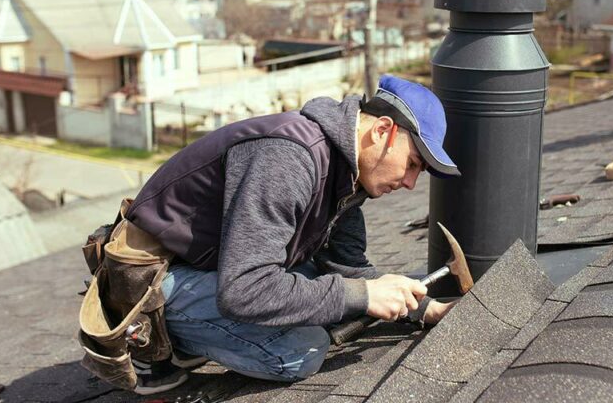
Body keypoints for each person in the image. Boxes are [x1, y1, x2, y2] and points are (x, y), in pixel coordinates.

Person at [125, 75, 460, 394]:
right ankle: (159, 338)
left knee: (328, 295)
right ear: (382, 130)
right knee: (301, 349)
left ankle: (207, 331)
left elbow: (347, 271)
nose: (410, 183)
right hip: (154, 280)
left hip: (216, 268)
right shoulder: (289, 157)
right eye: (413, 163)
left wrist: (425, 309)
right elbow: (244, 290)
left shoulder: (347, 175)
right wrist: (362, 296)